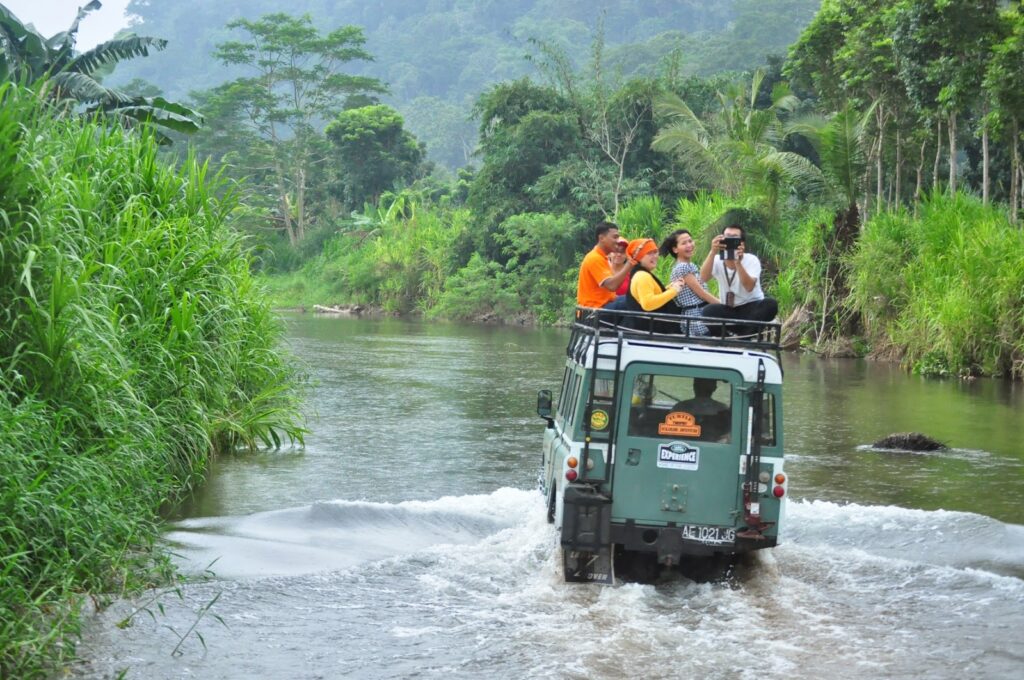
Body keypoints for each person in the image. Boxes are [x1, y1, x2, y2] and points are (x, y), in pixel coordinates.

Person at [699, 224, 778, 335]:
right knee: (707, 311)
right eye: (727, 237)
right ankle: (727, 339)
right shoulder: (716, 260)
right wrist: (712, 252)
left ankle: (745, 337)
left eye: (734, 238)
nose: (729, 241)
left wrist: (738, 262)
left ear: (741, 243)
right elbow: (702, 278)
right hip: (729, 309)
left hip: (751, 309)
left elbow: (749, 287)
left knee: (770, 304)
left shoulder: (751, 260)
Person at [661, 229, 719, 336]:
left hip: (700, 314)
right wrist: (724, 307)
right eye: (684, 243)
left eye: (690, 241)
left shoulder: (690, 266)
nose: (689, 245)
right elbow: (702, 294)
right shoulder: (682, 268)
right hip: (696, 317)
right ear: (675, 249)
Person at [623, 237, 684, 332]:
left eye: (655, 252)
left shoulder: (641, 274)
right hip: (650, 331)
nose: (655, 256)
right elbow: (648, 303)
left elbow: (653, 295)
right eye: (649, 253)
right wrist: (674, 291)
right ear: (639, 257)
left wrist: (669, 287)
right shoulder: (642, 276)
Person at [576, 221, 633, 312]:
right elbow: (612, 286)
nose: (617, 241)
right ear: (601, 238)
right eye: (615, 237)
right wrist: (630, 263)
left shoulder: (603, 258)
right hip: (594, 311)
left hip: (604, 305)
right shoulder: (594, 258)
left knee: (635, 297)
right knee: (633, 300)